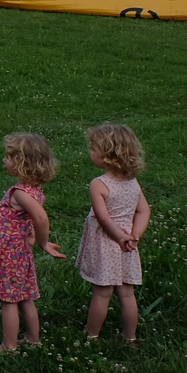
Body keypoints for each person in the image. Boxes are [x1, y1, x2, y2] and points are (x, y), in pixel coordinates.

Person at [0, 132, 67, 351]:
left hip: (9, 253)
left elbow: (40, 217)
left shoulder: (20, 193)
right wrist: (32, 234)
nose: (4, 160)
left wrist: (43, 242)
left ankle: (8, 347)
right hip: (19, 251)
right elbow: (29, 219)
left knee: (8, 301)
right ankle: (33, 339)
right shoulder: (35, 190)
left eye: (8, 157)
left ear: (21, 164)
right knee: (26, 296)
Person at [76, 122, 151, 343]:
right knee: (127, 293)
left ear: (108, 155)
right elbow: (144, 210)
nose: (89, 151)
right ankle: (130, 337)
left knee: (102, 293)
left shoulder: (99, 184)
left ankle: (91, 335)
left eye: (93, 148)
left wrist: (119, 237)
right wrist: (135, 234)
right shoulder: (132, 182)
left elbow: (103, 218)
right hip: (127, 244)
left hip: (107, 243)